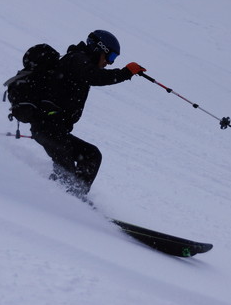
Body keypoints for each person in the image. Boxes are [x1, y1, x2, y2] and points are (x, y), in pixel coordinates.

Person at [29, 30, 145, 198]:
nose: (109, 63)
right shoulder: (77, 59)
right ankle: (59, 201)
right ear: (100, 49)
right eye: (110, 57)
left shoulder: (80, 61)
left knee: (91, 155)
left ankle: (71, 198)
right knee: (67, 171)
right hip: (47, 126)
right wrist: (125, 73)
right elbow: (94, 77)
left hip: (54, 129)